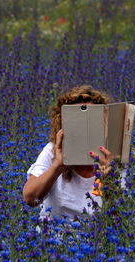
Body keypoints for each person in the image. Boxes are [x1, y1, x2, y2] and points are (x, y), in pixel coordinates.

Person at [23, 85, 117, 220]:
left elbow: (119, 217)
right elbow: (30, 199)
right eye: (78, 120)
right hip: (53, 239)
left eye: (92, 119)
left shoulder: (113, 156)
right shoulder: (52, 151)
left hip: (99, 238)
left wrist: (109, 181)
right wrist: (58, 165)